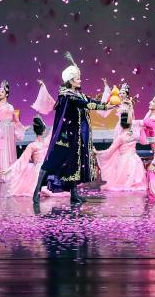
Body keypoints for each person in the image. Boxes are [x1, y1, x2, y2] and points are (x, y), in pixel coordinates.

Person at [31, 54, 113, 203]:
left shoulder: (78, 94)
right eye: (77, 79)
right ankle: (36, 191)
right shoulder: (67, 95)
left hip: (75, 136)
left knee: (73, 163)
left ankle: (74, 195)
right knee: (51, 162)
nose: (80, 80)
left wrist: (107, 105)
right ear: (70, 81)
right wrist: (105, 107)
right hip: (64, 137)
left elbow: (89, 100)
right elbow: (86, 104)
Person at [2, 117, 65, 197]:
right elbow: (54, 131)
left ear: (34, 130)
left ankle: (42, 188)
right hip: (46, 169)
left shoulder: (32, 145)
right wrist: (61, 117)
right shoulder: (47, 141)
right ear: (44, 130)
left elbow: (21, 161)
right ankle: (44, 188)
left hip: (39, 170)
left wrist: (9, 170)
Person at [96, 112, 147, 193]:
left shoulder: (121, 137)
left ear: (120, 124)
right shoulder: (135, 134)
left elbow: (110, 150)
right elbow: (144, 141)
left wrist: (98, 152)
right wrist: (141, 129)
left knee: (122, 179)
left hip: (123, 161)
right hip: (134, 159)